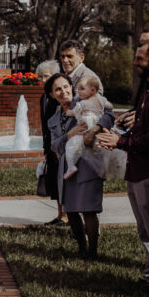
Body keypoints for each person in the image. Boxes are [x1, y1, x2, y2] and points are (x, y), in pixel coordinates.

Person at [97, 40, 149, 294]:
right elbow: (143, 127)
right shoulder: (147, 89)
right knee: (144, 226)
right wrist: (124, 126)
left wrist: (119, 141)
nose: (135, 62)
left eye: (140, 58)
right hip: (136, 167)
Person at [46, 73, 114, 259]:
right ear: (52, 95)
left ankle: (92, 251)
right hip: (67, 167)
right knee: (71, 209)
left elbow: (109, 114)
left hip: (89, 161)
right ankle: (81, 248)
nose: (63, 92)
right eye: (57, 89)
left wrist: (94, 130)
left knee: (89, 208)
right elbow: (54, 145)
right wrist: (69, 135)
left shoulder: (85, 101)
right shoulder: (53, 119)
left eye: (66, 86)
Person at [63, 75, 114, 180]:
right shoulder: (102, 100)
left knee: (70, 146)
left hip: (86, 127)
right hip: (97, 127)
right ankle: (101, 169)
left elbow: (74, 112)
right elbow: (110, 106)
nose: (78, 91)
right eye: (78, 89)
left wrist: (67, 112)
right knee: (96, 148)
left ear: (93, 90)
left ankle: (71, 166)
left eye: (82, 89)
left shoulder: (83, 104)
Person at [35, 60, 67, 225]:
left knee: (62, 180)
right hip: (50, 145)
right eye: (40, 77)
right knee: (54, 180)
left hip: (61, 145)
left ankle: (67, 216)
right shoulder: (44, 97)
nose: (42, 79)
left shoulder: (59, 97)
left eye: (46, 76)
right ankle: (60, 214)